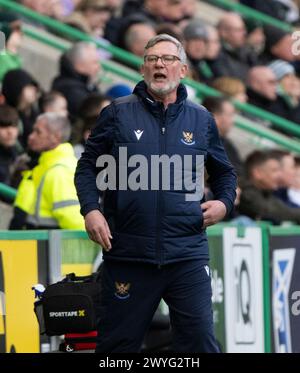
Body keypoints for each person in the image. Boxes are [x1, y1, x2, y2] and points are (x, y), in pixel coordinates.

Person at [75, 34, 236, 353]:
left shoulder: (201, 118)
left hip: (186, 252)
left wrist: (224, 203)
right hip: (129, 254)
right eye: (152, 59)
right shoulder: (117, 113)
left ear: (183, 69)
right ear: (142, 68)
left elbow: (224, 172)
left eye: (168, 59)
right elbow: (87, 167)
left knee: (201, 342)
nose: (159, 64)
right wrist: (91, 209)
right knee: (117, 347)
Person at [10, 113, 84, 230]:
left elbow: (75, 221)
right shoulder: (43, 165)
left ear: (55, 137)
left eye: (38, 132)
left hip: (50, 245)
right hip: (32, 243)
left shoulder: (59, 171)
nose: (31, 136)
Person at [238, 150, 300, 224]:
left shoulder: (266, 192)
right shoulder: (245, 192)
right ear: (257, 173)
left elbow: (285, 210)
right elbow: (275, 213)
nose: (279, 175)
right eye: (274, 170)